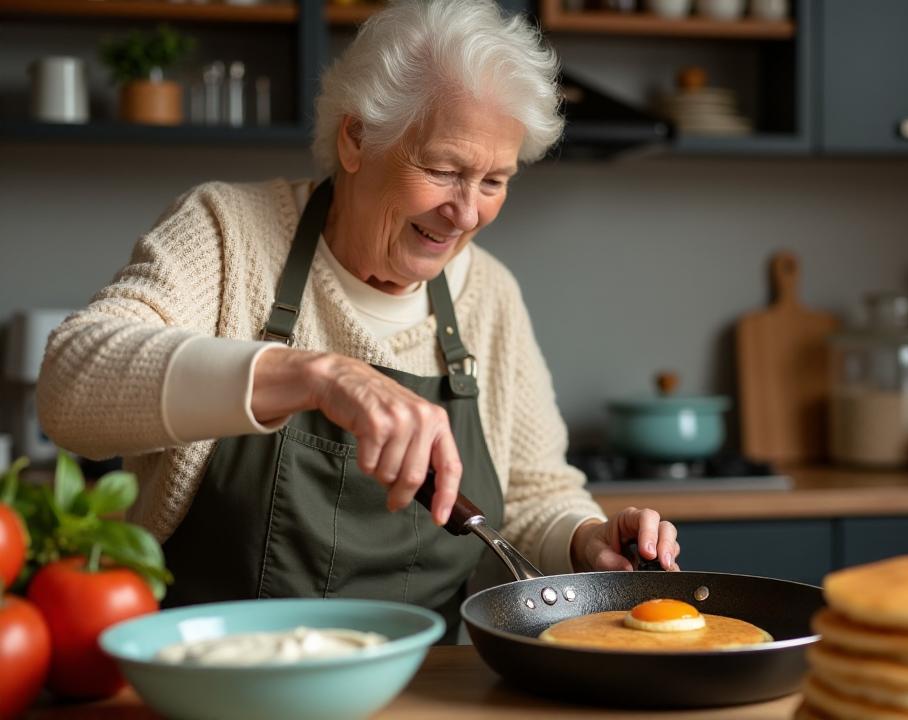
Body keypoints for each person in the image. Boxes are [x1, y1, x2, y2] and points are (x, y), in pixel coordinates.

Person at [36, 0, 679, 638]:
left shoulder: (490, 293)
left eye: (494, 181)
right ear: (356, 138)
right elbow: (70, 387)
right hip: (215, 670)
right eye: (444, 170)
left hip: (415, 682)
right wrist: (315, 376)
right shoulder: (227, 233)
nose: (466, 213)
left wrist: (586, 539)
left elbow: (536, 493)